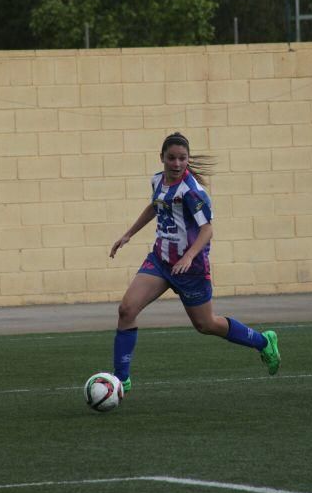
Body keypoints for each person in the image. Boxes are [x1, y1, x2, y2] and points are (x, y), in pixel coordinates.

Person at [109, 132, 280, 394]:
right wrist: (128, 234)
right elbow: (155, 206)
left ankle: (262, 341)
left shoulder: (192, 191)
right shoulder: (157, 180)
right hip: (161, 261)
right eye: (171, 158)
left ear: (187, 159)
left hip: (191, 269)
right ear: (162, 158)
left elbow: (207, 230)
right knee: (126, 310)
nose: (177, 164)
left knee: (206, 325)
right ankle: (121, 380)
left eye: (182, 159)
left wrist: (188, 256)